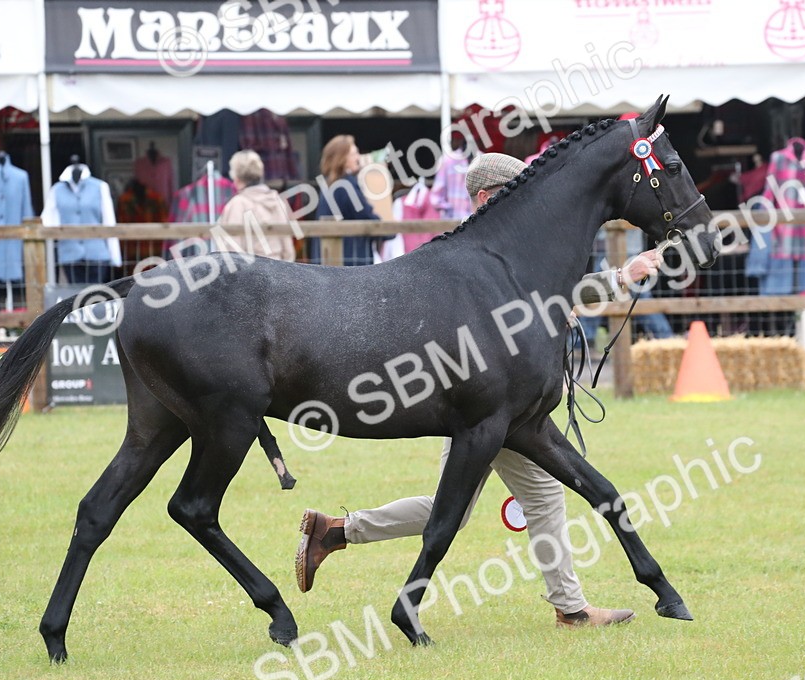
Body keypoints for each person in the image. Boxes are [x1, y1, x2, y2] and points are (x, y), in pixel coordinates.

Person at [296, 152, 669, 629]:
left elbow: (559, 295)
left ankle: (337, 531)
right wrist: (618, 278)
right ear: (488, 198)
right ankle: (569, 608)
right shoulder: (477, 259)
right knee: (476, 505)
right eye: (516, 193)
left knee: (520, 499)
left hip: (508, 405)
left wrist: (621, 276)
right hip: (486, 403)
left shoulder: (505, 252)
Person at [313, 135, 389, 265]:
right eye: (354, 154)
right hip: (348, 266)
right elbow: (366, 217)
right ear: (342, 159)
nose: (358, 157)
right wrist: (390, 231)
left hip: (331, 263)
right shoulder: (346, 186)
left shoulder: (330, 185)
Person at [217, 150, 295, 261]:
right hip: (278, 270)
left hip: (251, 273)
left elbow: (232, 252)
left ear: (236, 178)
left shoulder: (237, 204)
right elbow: (288, 249)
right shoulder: (277, 200)